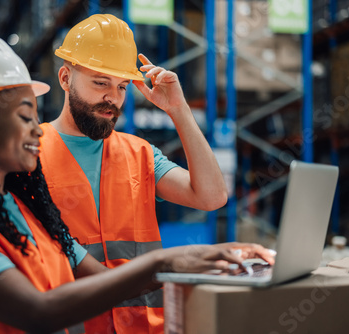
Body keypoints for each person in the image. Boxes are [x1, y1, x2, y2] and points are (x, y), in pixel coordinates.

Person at [0, 35, 273, 334]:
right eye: (24, 116)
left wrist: (216, 261)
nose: (34, 131)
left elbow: (110, 280)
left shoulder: (26, 211)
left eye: (122, 86)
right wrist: (167, 260)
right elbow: (38, 313)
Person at [39, 14, 228, 333]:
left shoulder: (139, 153)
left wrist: (178, 110)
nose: (112, 98)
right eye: (101, 83)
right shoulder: (31, 154)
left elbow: (212, 196)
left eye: (122, 87)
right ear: (65, 78)